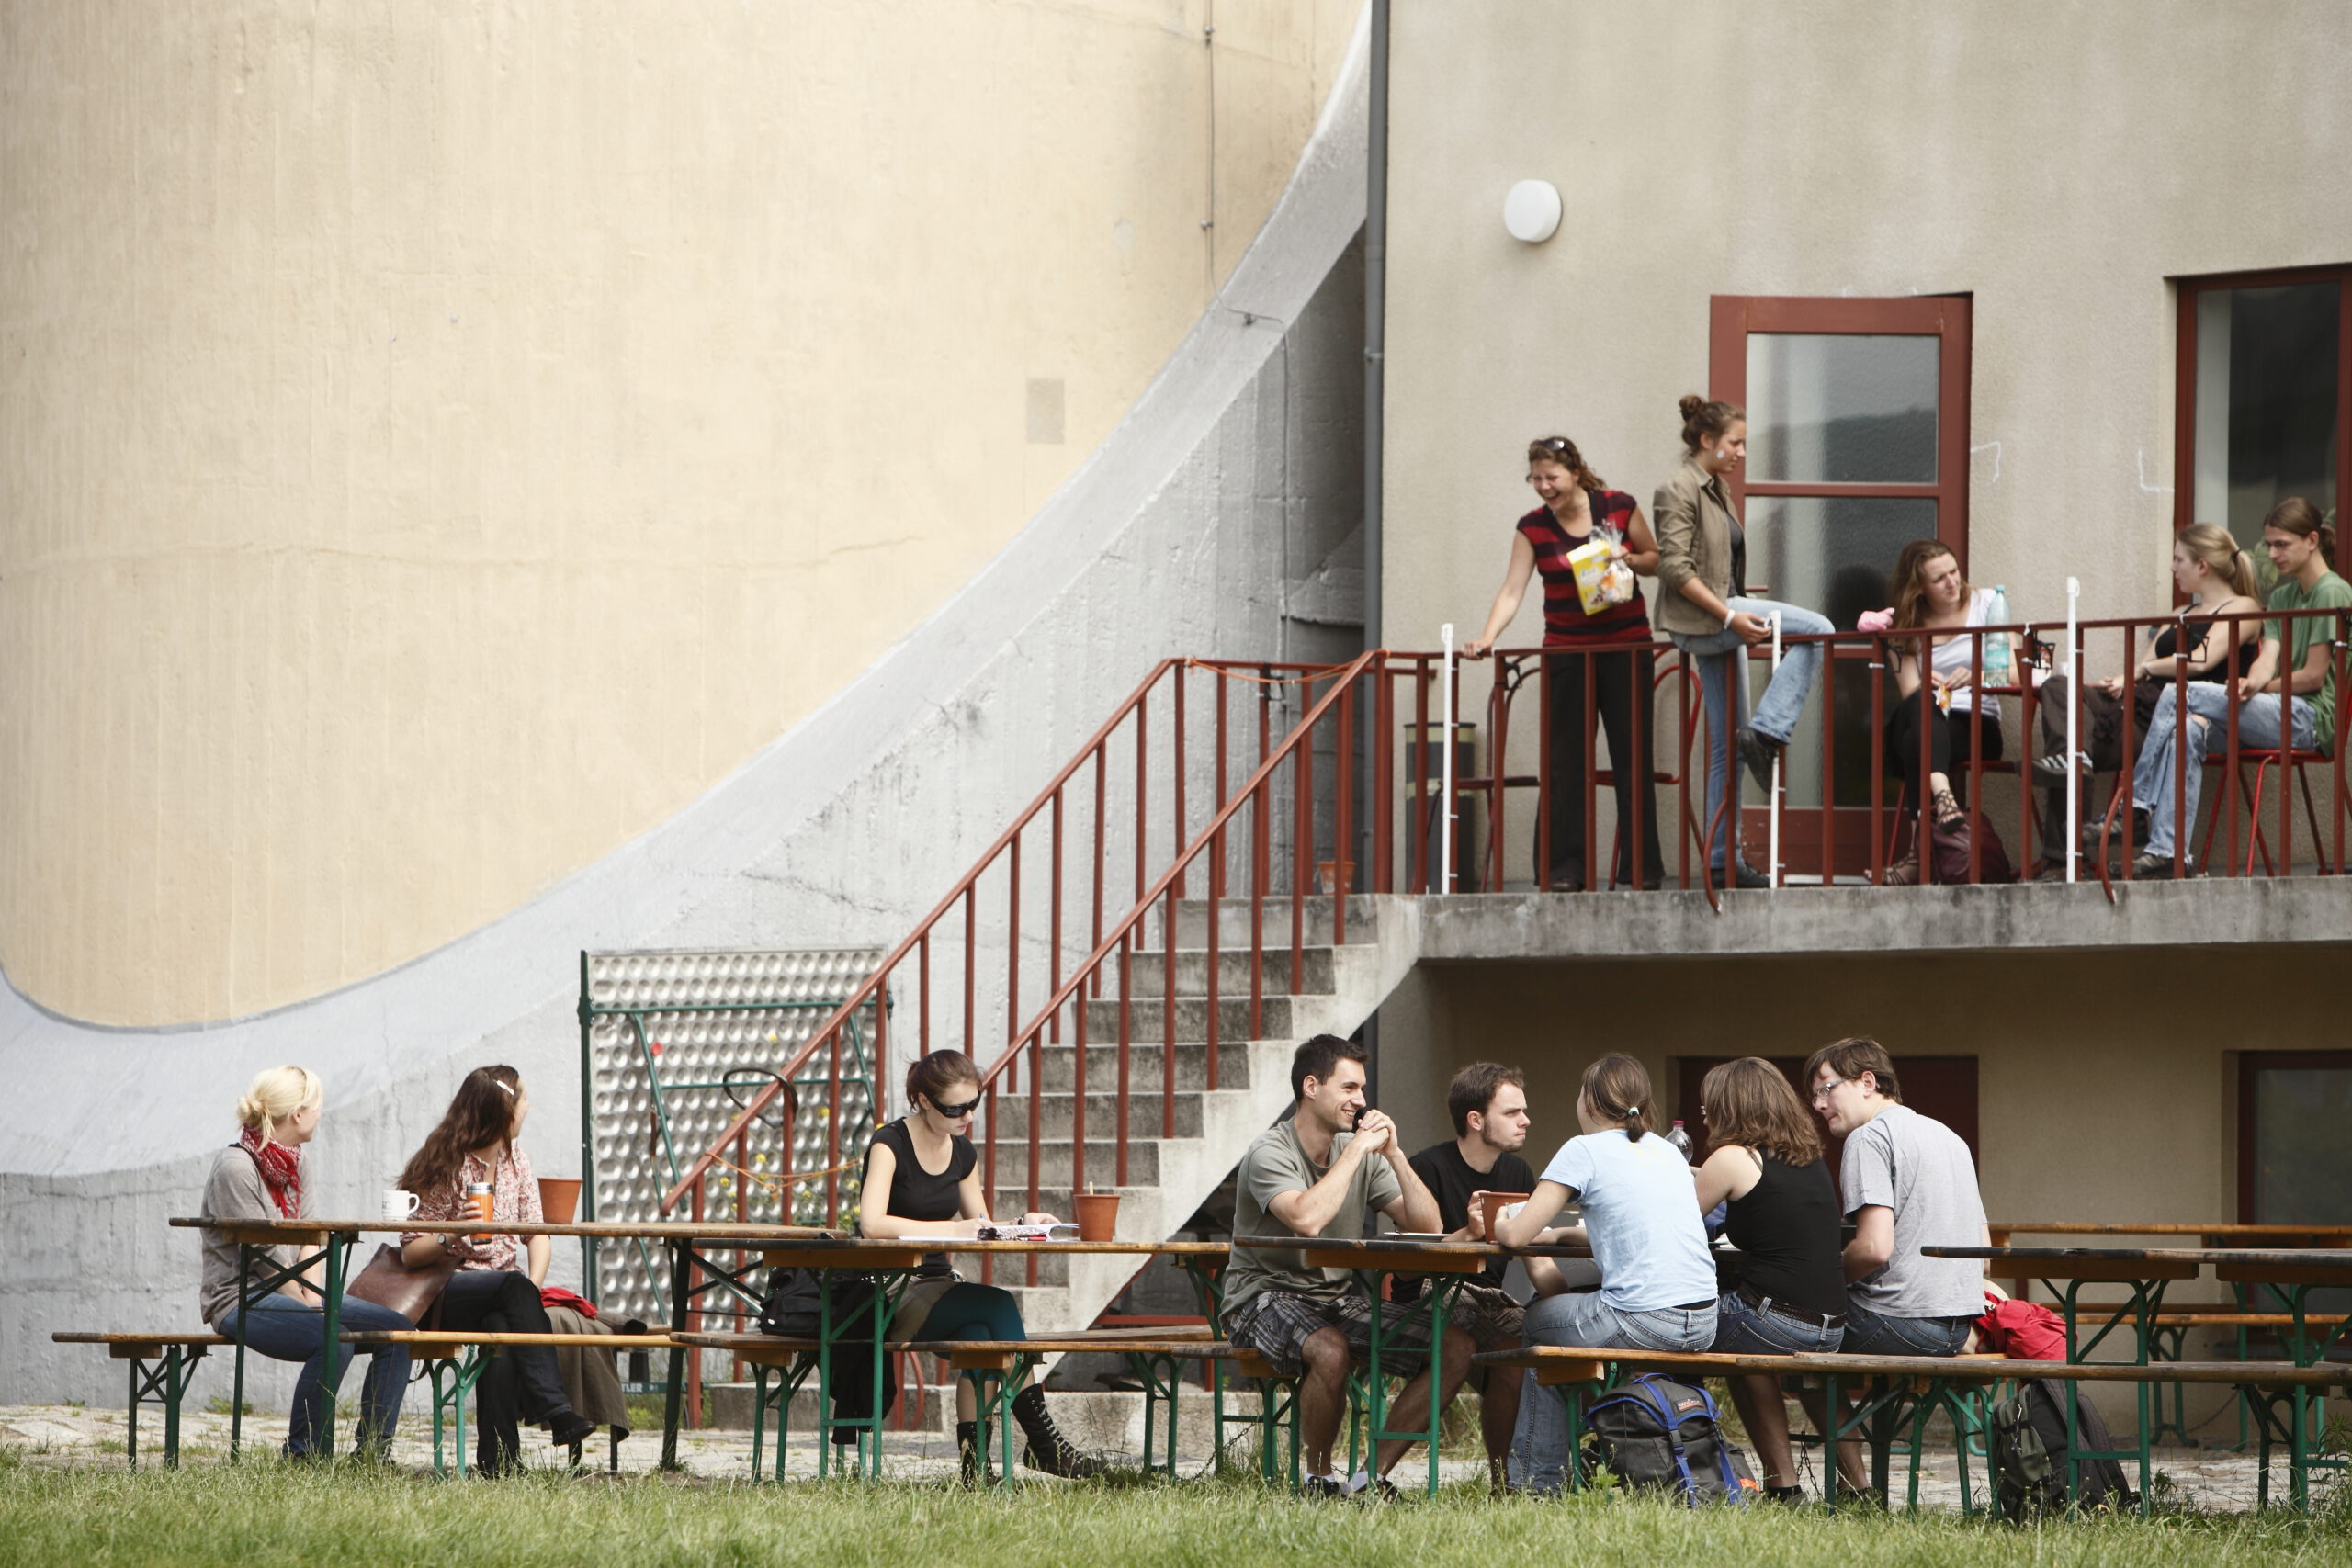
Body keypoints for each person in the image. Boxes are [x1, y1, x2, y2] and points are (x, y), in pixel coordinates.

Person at [1220, 1034, 1472, 1499]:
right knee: (1330, 1350)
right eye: (1349, 1088)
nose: (1360, 1101)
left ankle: (1367, 1479)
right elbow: (1307, 1220)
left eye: (1362, 1089)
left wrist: (1394, 1154)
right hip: (1259, 1299)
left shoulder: (1360, 1152)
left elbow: (1429, 1226)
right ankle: (1318, 1479)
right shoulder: (1269, 1151)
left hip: (1332, 1300)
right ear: (1311, 1086)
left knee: (1453, 1345)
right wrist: (1357, 1150)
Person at [858, 1050, 1102, 1481]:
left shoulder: (962, 1152)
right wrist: (951, 1229)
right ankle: (1045, 1445)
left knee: (980, 1337)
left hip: (936, 1286)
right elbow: (872, 1224)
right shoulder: (889, 1144)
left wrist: (1024, 1223)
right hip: (890, 1288)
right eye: (955, 1108)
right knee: (997, 1305)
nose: (967, 1116)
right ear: (924, 1101)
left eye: (973, 1105)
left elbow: (980, 1224)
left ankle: (975, 1470)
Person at [1495, 1054, 1718, 1495]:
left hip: (1644, 1318)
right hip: (1703, 1320)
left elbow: (1517, 1235)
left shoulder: (1583, 1150)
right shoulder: (1667, 1151)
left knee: (1539, 1324)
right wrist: (1564, 1235)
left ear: (1590, 1102)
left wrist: (1502, 1219)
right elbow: (1637, 1228)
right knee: (1564, 1325)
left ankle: (1536, 1483)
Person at [1463, 436, 1666, 889]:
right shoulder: (1532, 527)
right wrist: (1488, 637)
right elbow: (1512, 589)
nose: (1543, 486)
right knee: (1564, 762)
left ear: (1575, 473)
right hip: (1566, 652)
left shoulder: (1618, 506)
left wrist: (1628, 557)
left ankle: (1641, 869)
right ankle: (1564, 870)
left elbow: (1655, 560)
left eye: (1551, 477)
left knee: (1632, 756)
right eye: (1536, 478)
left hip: (1626, 647)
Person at [1653, 395, 1836, 889]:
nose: (1741, 452)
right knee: (1820, 629)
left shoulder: (1717, 490)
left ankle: (1721, 861)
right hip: (1707, 619)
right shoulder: (1677, 487)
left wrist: (1734, 609)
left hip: (1721, 615)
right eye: (1734, 443)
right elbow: (1674, 567)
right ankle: (1769, 731)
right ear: (1706, 440)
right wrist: (1731, 615)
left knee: (1725, 747)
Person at [1804, 1037, 1989, 1493]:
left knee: (1793, 1332)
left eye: (1826, 1088)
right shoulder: (1948, 1137)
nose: (1819, 1105)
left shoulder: (1869, 1138)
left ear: (1867, 1082)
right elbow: (1984, 1255)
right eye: (1814, 1095)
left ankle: (1855, 1487)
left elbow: (1873, 1249)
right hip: (1958, 1327)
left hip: (1900, 1321)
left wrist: (1820, 1284)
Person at [2132, 497, 2352, 878]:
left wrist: (2259, 689)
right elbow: (2267, 660)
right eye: (2269, 544)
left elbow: (2314, 677)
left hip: (2311, 719)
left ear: (2312, 541)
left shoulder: (2332, 591)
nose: (2273, 553)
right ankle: (2168, 852)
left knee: (2179, 692)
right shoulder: (2281, 597)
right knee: (2187, 727)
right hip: (2277, 711)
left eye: (2282, 544)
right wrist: (2252, 681)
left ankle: (2136, 806)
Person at [199, 1066, 412, 1460]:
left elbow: (311, 1237)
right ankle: (303, 1454)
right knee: (332, 1339)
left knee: (398, 1330)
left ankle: (373, 1452)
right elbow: (263, 1258)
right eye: (316, 1106)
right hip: (239, 1297)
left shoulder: (298, 1163)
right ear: (297, 1114)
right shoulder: (236, 1168)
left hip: (295, 1290)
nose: (320, 1113)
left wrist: (313, 1298)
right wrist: (308, 1304)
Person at [399, 1066, 596, 1475]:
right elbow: (410, 1254)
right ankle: (554, 1408)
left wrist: (531, 1292)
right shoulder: (446, 1163)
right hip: (446, 1290)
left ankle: (500, 1462)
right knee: (511, 1290)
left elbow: (536, 1234)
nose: (528, 1108)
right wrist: (455, 1232)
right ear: (505, 1111)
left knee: (502, 1327)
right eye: (523, 1100)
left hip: (503, 1294)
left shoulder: (516, 1160)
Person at [2032, 523, 2261, 869]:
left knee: (2072, 741)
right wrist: (2126, 679)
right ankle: (2072, 775)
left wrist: (2141, 671)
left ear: (2202, 565)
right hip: (2142, 709)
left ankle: (2070, 833)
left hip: (2176, 721)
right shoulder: (2179, 614)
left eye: (2178, 559)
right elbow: (2143, 665)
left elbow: (2200, 660)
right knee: (2060, 694)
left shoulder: (2242, 607)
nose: (2172, 568)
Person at [1691, 1057, 1844, 1503]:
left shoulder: (1731, 1157)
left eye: (1709, 1106)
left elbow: (1668, 1227)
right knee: (1745, 1350)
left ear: (1731, 1106)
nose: (1706, 1116)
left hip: (1774, 1321)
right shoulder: (1808, 1158)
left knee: (1669, 1330)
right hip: (1830, 1325)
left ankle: (1674, 1461)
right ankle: (1852, 1487)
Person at [1406, 1062, 1538, 1488]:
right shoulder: (1428, 1167)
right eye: (1512, 1112)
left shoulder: (1518, 1173)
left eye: (1523, 1111)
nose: (1525, 1120)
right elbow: (1410, 1260)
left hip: (1489, 1299)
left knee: (1533, 1343)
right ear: (1476, 1120)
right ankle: (1374, 1474)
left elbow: (1533, 1250)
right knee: (1497, 1341)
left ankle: (1510, 1482)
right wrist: (1467, 1233)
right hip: (1430, 1291)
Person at [1879, 539, 2012, 885]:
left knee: (1913, 740)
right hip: (1931, 716)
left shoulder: (1987, 603)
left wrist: (1978, 675)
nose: (1952, 582)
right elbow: (1910, 694)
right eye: (1939, 579)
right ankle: (1943, 794)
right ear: (1919, 588)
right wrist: (1928, 685)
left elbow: (2017, 671)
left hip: (1975, 723)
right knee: (1917, 711)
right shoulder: (1905, 625)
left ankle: (1918, 855)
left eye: (1954, 571)